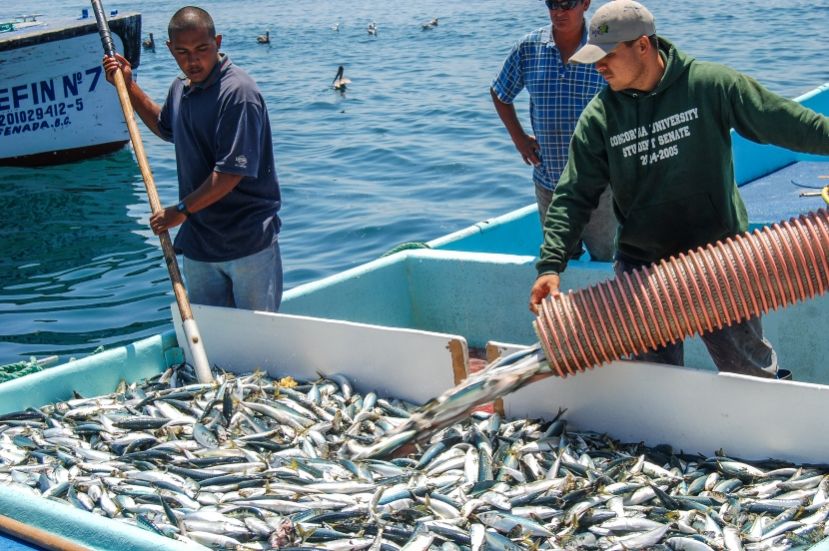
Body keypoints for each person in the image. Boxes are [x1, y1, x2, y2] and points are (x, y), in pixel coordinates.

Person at [529, 0, 829, 378]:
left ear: (643, 46)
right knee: (656, 387)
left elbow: (788, 123)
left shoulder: (710, 85)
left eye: (607, 56)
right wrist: (550, 265)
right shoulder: (599, 118)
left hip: (720, 258)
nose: (598, 66)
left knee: (752, 375)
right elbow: (573, 195)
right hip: (644, 271)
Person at [103, 6, 283, 312]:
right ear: (170, 50)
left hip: (247, 245)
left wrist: (181, 211)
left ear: (218, 42)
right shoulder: (181, 88)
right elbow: (164, 126)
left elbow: (229, 174)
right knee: (213, 345)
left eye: (202, 49)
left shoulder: (238, 93)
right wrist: (129, 86)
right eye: (183, 52)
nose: (193, 60)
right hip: (201, 245)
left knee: (257, 349)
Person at [491, 0, 616, 261]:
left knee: (609, 262)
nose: (558, 11)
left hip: (599, 186)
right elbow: (500, 92)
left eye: (567, 4)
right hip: (549, 184)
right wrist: (520, 139)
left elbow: (633, 100)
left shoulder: (605, 48)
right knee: (560, 263)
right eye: (552, 3)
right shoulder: (529, 48)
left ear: (585, 4)